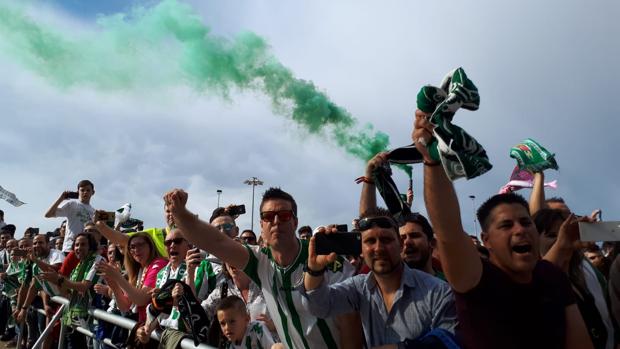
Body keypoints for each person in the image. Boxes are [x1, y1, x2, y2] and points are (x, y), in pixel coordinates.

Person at [412, 108, 593, 349]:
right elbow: (448, 231)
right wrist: (432, 160)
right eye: (506, 225)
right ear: (486, 240)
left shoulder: (552, 278)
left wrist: (565, 241)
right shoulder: (475, 281)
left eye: (526, 222)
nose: (520, 230)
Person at [164, 187, 358, 349]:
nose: (276, 222)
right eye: (268, 216)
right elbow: (215, 242)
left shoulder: (324, 258)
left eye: (284, 215)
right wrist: (180, 212)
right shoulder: (260, 261)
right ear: (261, 224)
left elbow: (350, 321)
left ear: (295, 222)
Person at [303, 208, 457, 347]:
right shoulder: (358, 288)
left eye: (386, 240)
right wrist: (314, 269)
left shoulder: (438, 291)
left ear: (401, 245)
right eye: (370, 241)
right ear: (361, 250)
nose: (378, 248)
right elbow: (319, 306)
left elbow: (452, 340)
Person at [534, 209, 616, 349]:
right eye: (552, 235)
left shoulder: (581, 283)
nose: (561, 239)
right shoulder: (532, 284)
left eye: (565, 234)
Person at [360, 154, 442, 278]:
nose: (407, 242)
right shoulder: (385, 280)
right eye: (402, 238)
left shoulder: (450, 280)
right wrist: (370, 180)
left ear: (432, 242)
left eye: (415, 235)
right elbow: (369, 225)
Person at [39, 233, 105, 349]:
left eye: (83, 244)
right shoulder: (80, 263)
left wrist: (59, 280)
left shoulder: (98, 261)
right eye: (76, 245)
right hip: (75, 314)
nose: (79, 248)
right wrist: (56, 281)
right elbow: (67, 292)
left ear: (91, 246)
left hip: (94, 315)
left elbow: (84, 286)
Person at [96, 233, 166, 323]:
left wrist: (117, 277)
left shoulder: (158, 264)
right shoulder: (139, 269)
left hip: (157, 327)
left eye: (141, 245)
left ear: (150, 246)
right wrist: (113, 285)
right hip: (143, 325)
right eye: (132, 247)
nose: (136, 249)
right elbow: (125, 306)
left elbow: (141, 299)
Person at [44, 180, 96, 254]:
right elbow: (48, 214)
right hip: (70, 247)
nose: (85, 192)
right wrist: (61, 198)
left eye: (88, 190)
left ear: (93, 192)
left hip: (87, 249)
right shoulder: (72, 204)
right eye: (82, 190)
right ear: (78, 192)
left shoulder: (94, 211)